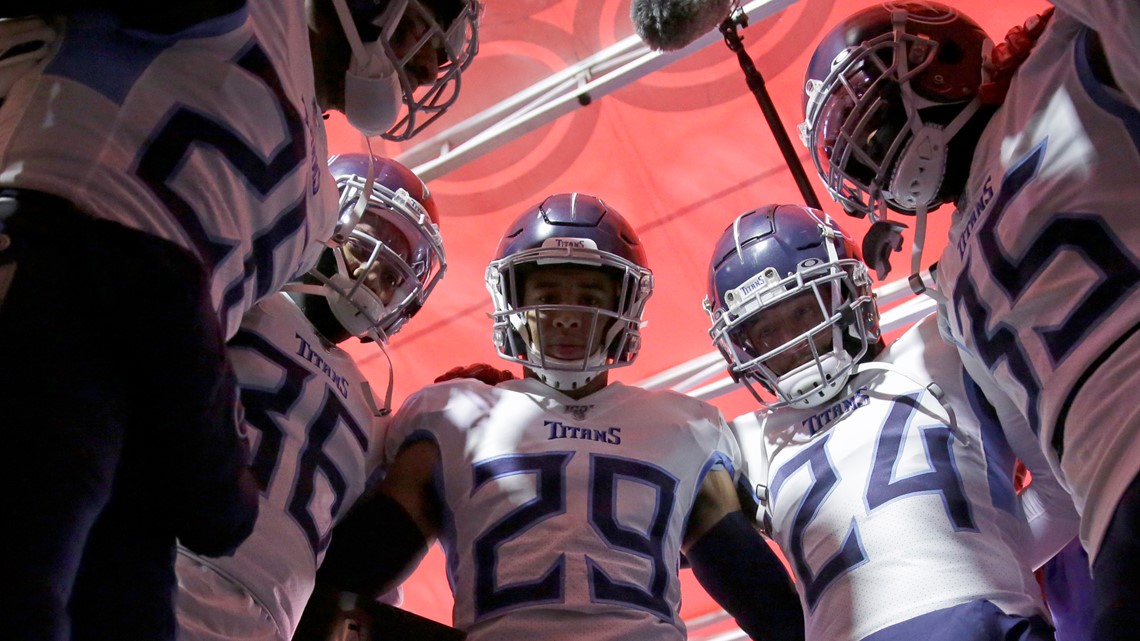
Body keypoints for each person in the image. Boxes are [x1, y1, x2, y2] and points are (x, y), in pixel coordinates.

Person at [0, 1, 480, 639]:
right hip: (57, 262)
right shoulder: (258, 13)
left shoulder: (317, 203)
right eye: (422, 25)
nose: (428, 62)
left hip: (148, 370)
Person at [293, 193, 806, 641]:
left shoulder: (684, 425)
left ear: (624, 306)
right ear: (513, 301)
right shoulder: (454, 413)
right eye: (548, 295)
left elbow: (769, 607)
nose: (566, 314)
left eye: (588, 297)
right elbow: (349, 577)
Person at [797, 2, 1140, 637]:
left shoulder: (951, 286)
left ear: (944, 61)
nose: (873, 153)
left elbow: (1051, 487)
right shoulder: (1068, 60)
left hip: (1114, 518)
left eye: (872, 130)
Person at [704, 204, 1078, 641]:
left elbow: (1064, 496)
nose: (794, 341)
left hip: (987, 623)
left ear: (848, 290)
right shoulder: (743, 442)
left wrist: (973, 563)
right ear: (740, 346)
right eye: (767, 332)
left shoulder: (939, 345)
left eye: (803, 311)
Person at [173, 153, 447, 641]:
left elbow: (360, 571)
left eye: (394, 270)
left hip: (269, 617)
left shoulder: (374, 414)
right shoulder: (250, 292)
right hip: (167, 561)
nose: (377, 268)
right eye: (373, 237)